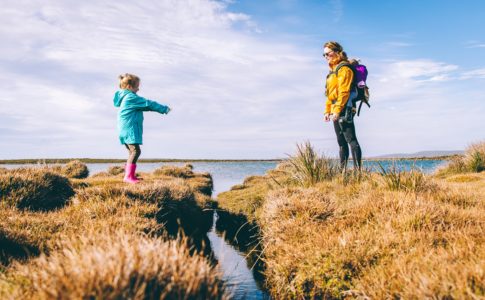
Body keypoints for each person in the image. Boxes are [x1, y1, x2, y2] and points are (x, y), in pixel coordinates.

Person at [113, 73, 171, 183]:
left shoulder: (125, 97)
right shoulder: (131, 97)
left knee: (132, 152)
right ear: (129, 87)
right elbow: (148, 104)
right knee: (136, 151)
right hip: (130, 129)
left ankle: (130, 176)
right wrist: (164, 109)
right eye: (137, 87)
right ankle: (128, 177)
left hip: (124, 130)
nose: (138, 89)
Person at [323, 41, 362, 171]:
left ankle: (358, 174)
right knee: (341, 142)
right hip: (336, 109)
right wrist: (327, 111)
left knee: (351, 139)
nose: (326, 57)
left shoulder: (344, 68)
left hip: (345, 107)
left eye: (328, 53)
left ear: (336, 51)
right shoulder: (332, 71)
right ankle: (342, 173)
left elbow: (344, 92)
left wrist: (338, 110)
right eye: (324, 55)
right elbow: (330, 94)